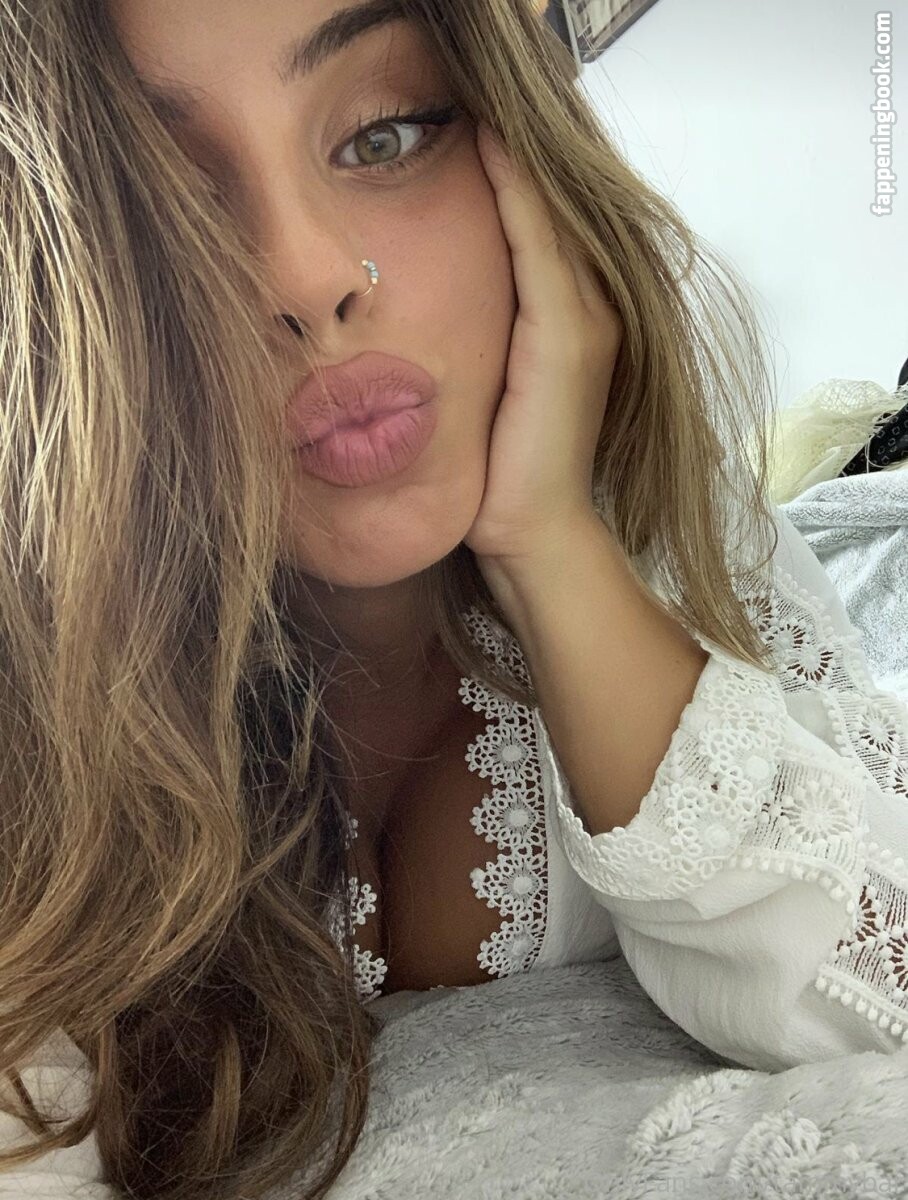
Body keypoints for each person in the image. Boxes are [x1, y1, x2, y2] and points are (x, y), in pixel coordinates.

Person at [0, 0, 905, 1197]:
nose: (307, 278)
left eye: (383, 134)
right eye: (158, 202)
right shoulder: (37, 676)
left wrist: (550, 545)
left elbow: (881, 994)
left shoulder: (675, 532)